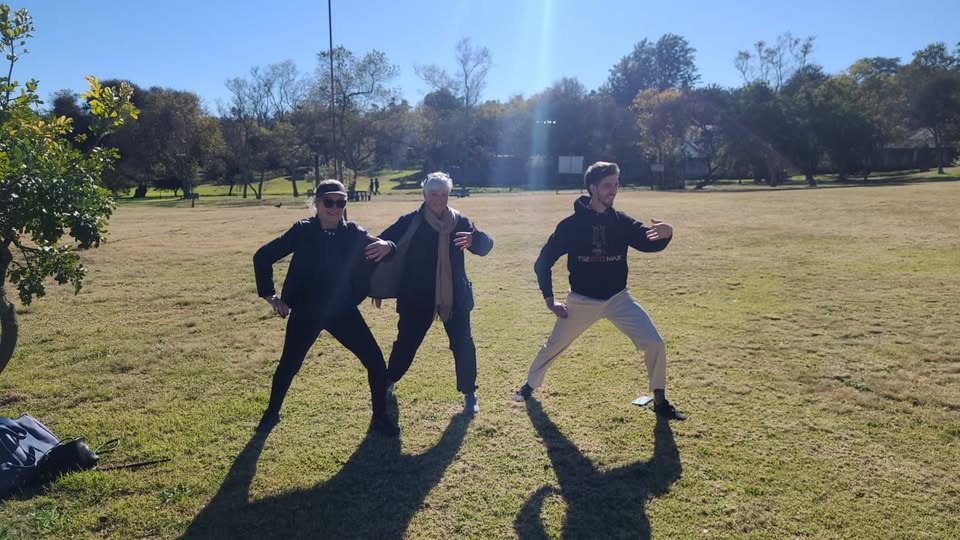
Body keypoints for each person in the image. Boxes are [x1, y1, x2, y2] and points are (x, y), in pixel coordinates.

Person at [512, 161, 685, 420]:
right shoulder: (570, 226)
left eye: (616, 184)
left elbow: (647, 243)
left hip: (618, 299)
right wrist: (550, 300)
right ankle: (529, 386)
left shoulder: (620, 221)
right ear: (592, 188)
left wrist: (666, 234)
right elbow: (543, 262)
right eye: (607, 185)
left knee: (654, 342)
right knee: (553, 346)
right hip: (581, 300)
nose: (613, 190)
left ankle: (659, 399)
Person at [253, 179, 401, 435]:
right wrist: (271, 296)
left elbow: (387, 249)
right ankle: (271, 413)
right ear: (317, 203)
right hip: (307, 312)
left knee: (376, 362)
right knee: (289, 364)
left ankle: (380, 417)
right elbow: (263, 256)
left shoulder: (353, 233)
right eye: (329, 202)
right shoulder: (303, 231)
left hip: (341, 311)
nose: (335, 208)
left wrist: (389, 246)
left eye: (340, 202)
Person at [373, 172, 493, 413]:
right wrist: (376, 285)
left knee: (463, 344)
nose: (439, 199)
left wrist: (476, 238)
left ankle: (469, 393)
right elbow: (382, 244)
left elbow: (485, 247)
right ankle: (389, 381)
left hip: (455, 296)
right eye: (433, 194)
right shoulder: (411, 221)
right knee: (407, 342)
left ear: (449, 195)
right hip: (416, 296)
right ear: (425, 194)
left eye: (443, 194)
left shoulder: (460, 222)